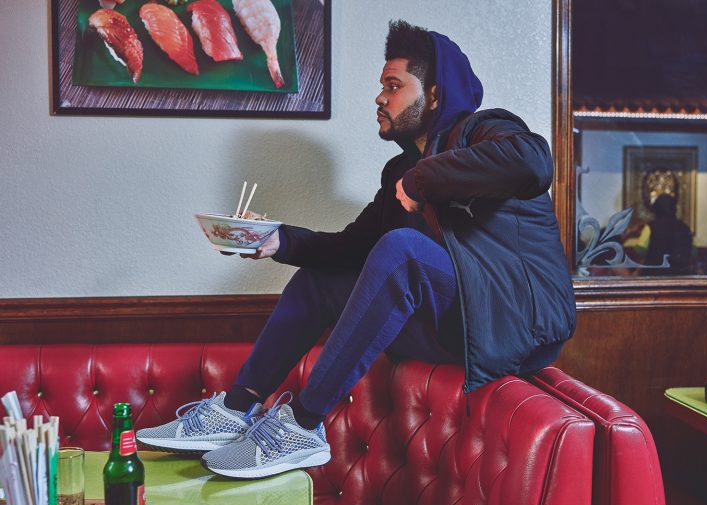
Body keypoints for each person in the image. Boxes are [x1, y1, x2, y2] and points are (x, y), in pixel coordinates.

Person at [137, 20, 576, 479]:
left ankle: (301, 427)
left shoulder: (484, 131)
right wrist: (276, 239)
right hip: (458, 329)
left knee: (404, 249)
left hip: (517, 327)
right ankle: (234, 409)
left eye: (394, 86)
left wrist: (423, 180)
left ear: (434, 96)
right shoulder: (400, 172)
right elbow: (353, 249)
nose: (380, 98)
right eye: (381, 86)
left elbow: (533, 163)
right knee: (322, 280)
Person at [623, 193, 694, 275]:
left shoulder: (650, 227)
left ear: (656, 210)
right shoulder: (685, 228)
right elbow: (693, 253)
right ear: (674, 209)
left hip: (655, 275)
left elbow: (639, 251)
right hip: (680, 276)